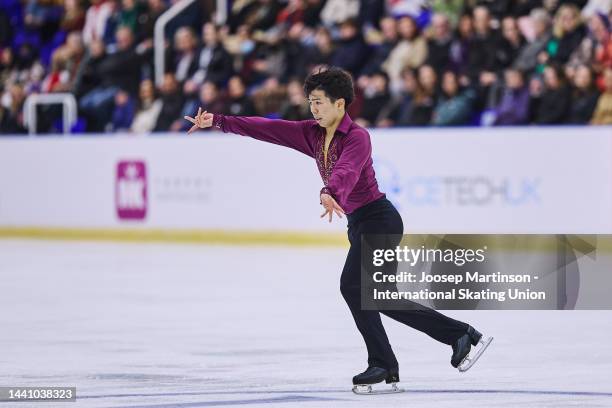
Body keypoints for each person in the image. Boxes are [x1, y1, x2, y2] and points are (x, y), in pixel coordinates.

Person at [183, 67, 488, 390]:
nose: (313, 109)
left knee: (353, 287)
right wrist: (218, 121)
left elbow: (347, 170)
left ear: (339, 104)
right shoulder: (311, 133)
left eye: (319, 102)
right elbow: (269, 129)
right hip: (359, 224)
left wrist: (331, 192)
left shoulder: (358, 137)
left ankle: (383, 363)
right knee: (382, 297)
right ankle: (459, 335)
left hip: (379, 220)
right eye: (311, 103)